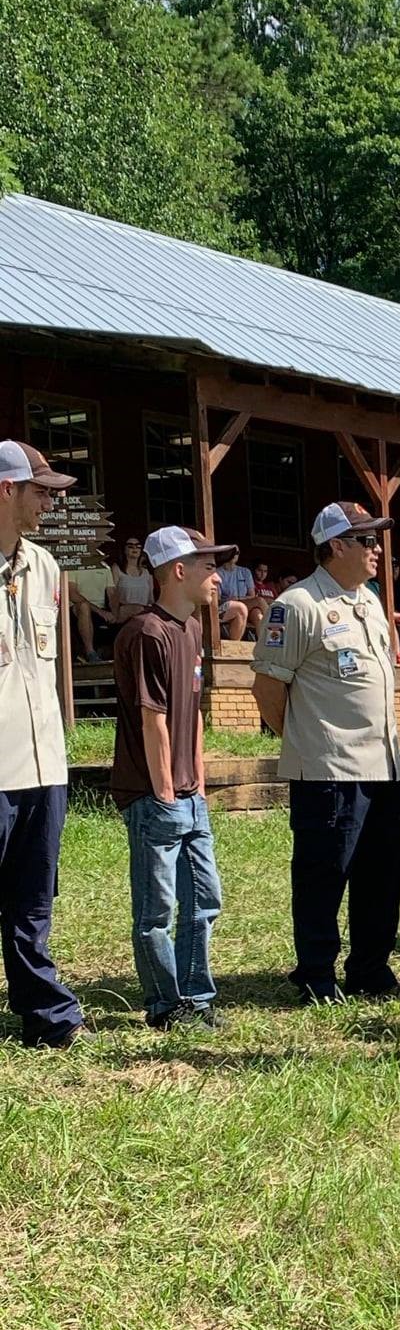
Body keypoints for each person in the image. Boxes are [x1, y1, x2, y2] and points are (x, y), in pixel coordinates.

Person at [250, 500, 400, 1005]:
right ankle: (316, 973)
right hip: (329, 768)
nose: (376, 549)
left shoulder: (371, 602)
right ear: (336, 546)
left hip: (383, 764)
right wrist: (302, 739)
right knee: (324, 874)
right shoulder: (297, 605)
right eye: (366, 540)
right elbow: (268, 688)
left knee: (381, 875)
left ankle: (370, 969)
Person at [111, 526, 228, 1031]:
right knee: (156, 910)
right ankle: (165, 1005)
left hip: (189, 793)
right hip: (152, 795)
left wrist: (197, 781)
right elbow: (151, 718)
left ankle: (196, 998)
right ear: (178, 571)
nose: (218, 577)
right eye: (209, 567)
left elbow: (193, 712)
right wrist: (163, 791)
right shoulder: (146, 633)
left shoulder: (192, 630)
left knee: (204, 899)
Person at [0, 439, 86, 1048]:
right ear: (6, 490)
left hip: (43, 763)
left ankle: (44, 1014)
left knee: (33, 900)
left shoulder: (47, 568)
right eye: (40, 491)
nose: (49, 504)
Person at [67, 553, 115, 661]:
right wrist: (99, 611)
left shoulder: (104, 566)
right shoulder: (73, 565)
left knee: (133, 609)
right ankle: (90, 652)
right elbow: (72, 594)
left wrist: (115, 613)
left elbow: (112, 593)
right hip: (77, 609)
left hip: (102, 609)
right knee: (84, 607)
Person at [214, 546, 258, 641]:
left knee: (257, 612)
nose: (235, 555)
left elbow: (252, 595)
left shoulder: (245, 572)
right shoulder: (217, 573)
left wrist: (238, 598)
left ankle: (269, 644)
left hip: (243, 602)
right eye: (232, 552)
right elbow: (217, 599)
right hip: (226, 605)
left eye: (237, 553)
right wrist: (232, 600)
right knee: (241, 608)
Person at [108, 537, 154, 627]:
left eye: (138, 546)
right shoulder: (117, 569)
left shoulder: (147, 572)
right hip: (124, 616)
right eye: (130, 546)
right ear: (124, 549)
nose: (134, 548)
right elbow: (112, 594)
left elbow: (151, 599)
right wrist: (115, 615)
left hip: (143, 617)